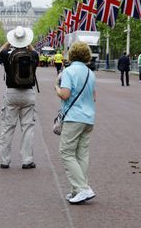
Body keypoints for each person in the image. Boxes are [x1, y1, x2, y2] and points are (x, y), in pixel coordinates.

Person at [54, 41, 97, 204]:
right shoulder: (90, 73)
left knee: (66, 152)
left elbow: (65, 94)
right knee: (82, 154)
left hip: (74, 117)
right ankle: (77, 190)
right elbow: (94, 97)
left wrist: (56, 88)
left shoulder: (69, 71)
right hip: (89, 118)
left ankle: (82, 189)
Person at [0, 26, 39, 170]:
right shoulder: (33, 55)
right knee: (28, 129)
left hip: (11, 93)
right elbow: (34, 51)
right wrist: (28, 44)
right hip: (28, 94)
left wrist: (8, 42)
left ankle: (5, 160)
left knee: (7, 128)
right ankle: (27, 160)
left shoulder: (7, 54)